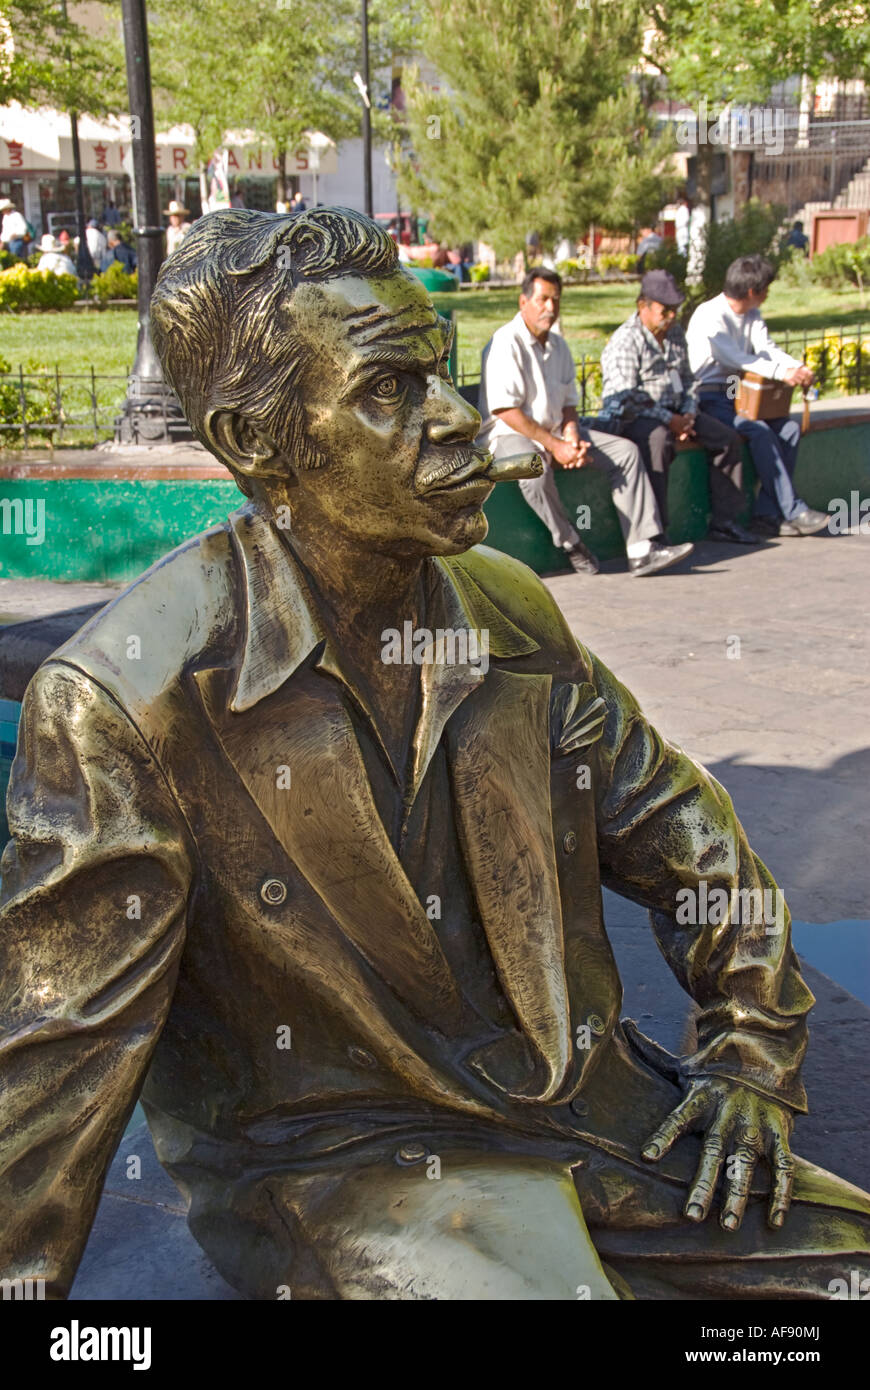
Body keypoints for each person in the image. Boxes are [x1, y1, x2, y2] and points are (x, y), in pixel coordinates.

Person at [1, 207, 867, 1302]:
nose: (461, 420)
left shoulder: (507, 613)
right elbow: (56, 1060)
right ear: (256, 440)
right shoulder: (132, 704)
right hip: (334, 1163)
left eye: (442, 373)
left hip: (591, 1116)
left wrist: (748, 1043)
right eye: (387, 391)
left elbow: (684, 837)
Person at [477, 267, 693, 577]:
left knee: (626, 453)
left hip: (554, 431)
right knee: (532, 470)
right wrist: (556, 447)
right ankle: (571, 542)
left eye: (556, 300)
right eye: (542, 300)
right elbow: (506, 411)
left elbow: (568, 404)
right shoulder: (505, 343)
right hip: (509, 433)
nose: (550, 308)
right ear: (523, 301)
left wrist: (572, 436)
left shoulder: (559, 346)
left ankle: (641, 549)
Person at [599, 269, 758, 546]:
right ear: (643, 306)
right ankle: (657, 533)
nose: (671, 316)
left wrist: (687, 413)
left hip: (675, 412)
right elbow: (626, 397)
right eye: (665, 310)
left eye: (675, 310)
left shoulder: (674, 335)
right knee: (658, 443)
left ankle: (725, 521)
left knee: (727, 439)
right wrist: (669, 420)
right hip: (635, 416)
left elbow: (688, 380)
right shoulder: (626, 340)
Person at [687, 255, 830, 537]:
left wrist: (794, 367)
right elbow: (738, 358)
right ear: (753, 291)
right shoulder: (709, 316)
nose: (768, 295)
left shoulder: (751, 313)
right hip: (712, 392)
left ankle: (767, 515)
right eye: (766, 289)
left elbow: (765, 348)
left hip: (740, 390)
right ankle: (793, 510)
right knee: (758, 431)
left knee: (788, 430)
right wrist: (781, 372)